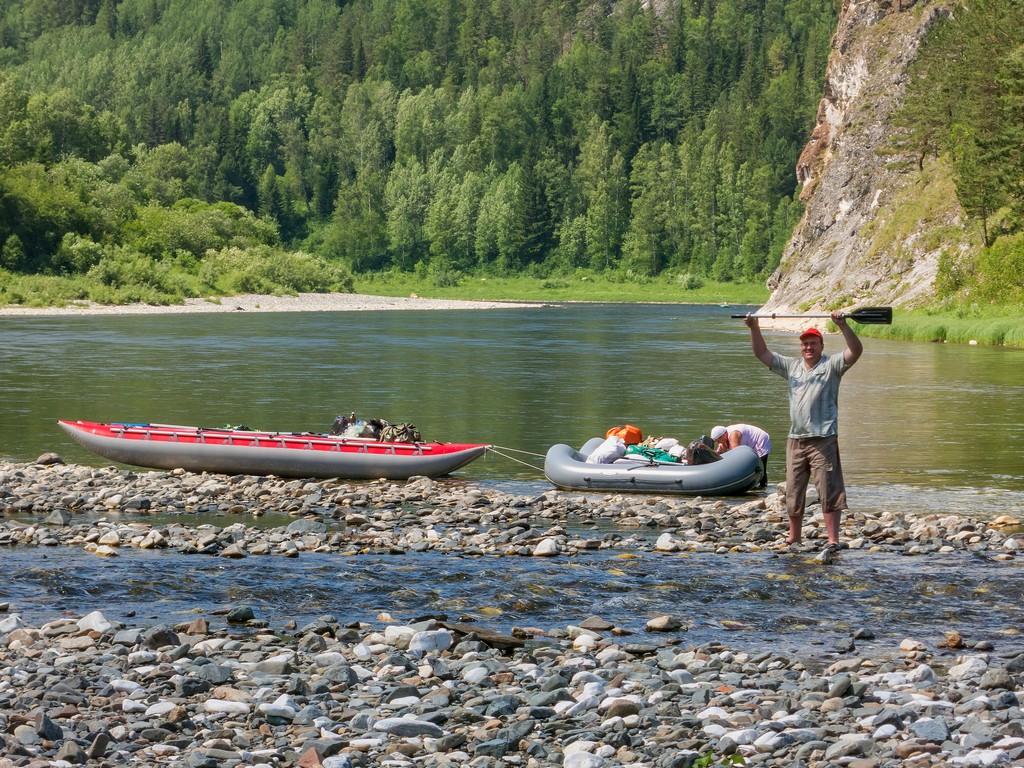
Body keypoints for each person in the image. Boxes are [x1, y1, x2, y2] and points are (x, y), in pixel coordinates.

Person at [744, 312, 863, 556]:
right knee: (793, 490)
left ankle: (832, 540)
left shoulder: (832, 365)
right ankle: (794, 537)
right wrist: (754, 327)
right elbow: (761, 354)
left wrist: (843, 324)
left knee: (828, 489)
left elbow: (856, 351)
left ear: (821, 345)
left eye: (813, 343)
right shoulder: (791, 366)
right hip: (795, 439)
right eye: (805, 343)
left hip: (823, 439)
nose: (808, 347)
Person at [710, 423, 771, 489]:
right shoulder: (724, 435)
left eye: (718, 439)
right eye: (716, 440)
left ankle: (763, 487)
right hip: (748, 442)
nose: (718, 442)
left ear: (724, 435)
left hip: (760, 439)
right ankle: (753, 485)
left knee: (761, 466)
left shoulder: (734, 435)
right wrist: (723, 449)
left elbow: (736, 455)